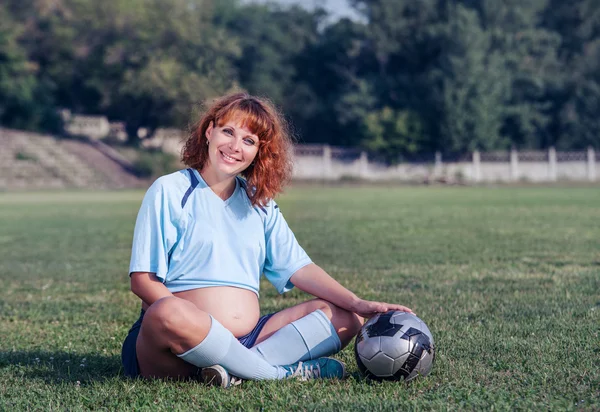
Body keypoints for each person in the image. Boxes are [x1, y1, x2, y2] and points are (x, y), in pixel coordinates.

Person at [121, 92, 413, 387]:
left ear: (259, 151)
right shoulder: (170, 190)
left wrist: (357, 302)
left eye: (248, 141)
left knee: (346, 318)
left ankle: (231, 370)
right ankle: (273, 372)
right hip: (176, 345)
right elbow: (142, 282)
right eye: (228, 132)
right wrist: (202, 330)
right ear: (209, 131)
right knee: (167, 311)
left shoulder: (258, 201)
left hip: (249, 339)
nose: (235, 147)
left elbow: (299, 268)